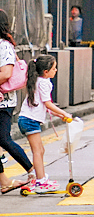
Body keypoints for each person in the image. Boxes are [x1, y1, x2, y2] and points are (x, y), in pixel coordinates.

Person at [19, 55, 72, 193]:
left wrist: (60, 115)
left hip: (27, 120)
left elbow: (46, 107)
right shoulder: (44, 83)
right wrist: (64, 113)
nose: (56, 70)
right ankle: (41, 181)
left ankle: (41, 177)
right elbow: (48, 103)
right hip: (30, 121)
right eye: (54, 68)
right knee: (38, 151)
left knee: (40, 150)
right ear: (46, 71)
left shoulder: (38, 81)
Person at [0, 10, 35, 189]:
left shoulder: (4, 46)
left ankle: (31, 170)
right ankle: (4, 182)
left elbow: (6, 73)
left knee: (3, 139)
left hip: (2, 101)